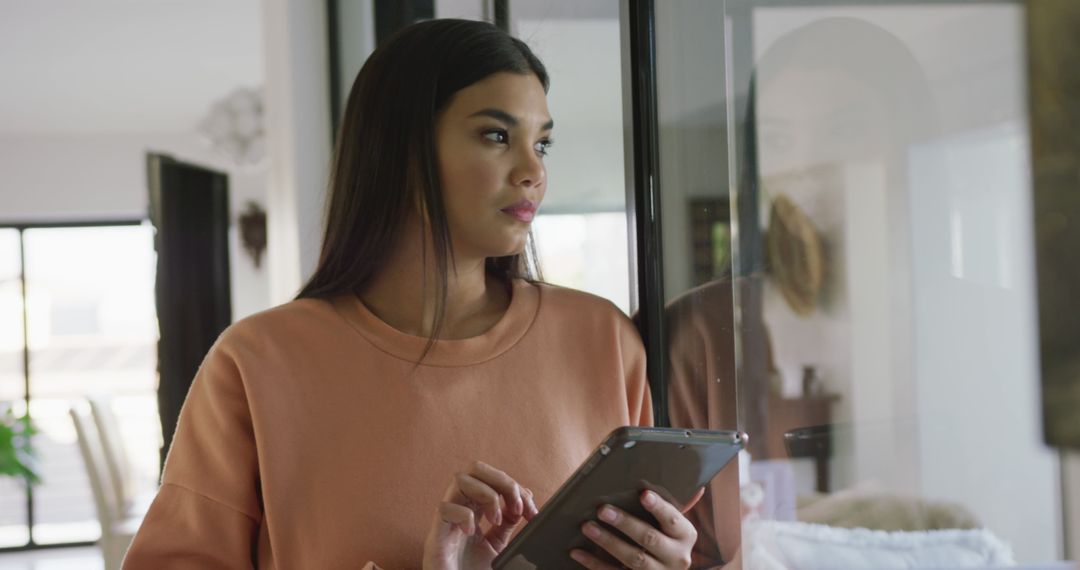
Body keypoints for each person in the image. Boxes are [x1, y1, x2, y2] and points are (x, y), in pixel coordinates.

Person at [122, 19, 702, 570]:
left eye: (542, 145)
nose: (533, 171)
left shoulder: (601, 338)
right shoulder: (257, 362)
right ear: (401, 152)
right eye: (497, 136)